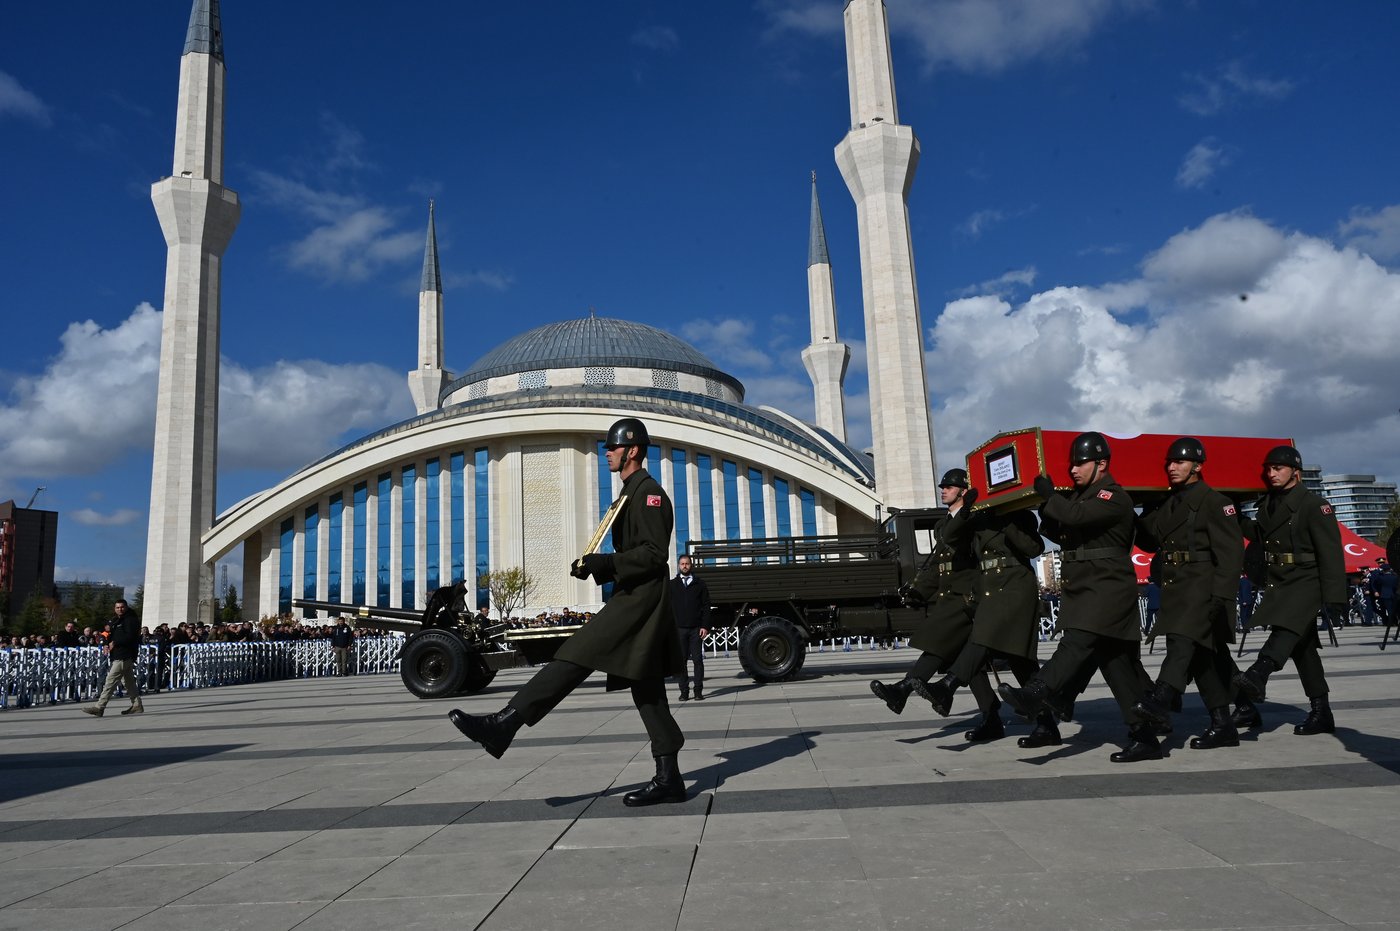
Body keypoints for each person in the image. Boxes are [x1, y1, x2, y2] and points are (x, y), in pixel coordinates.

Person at [448, 417, 688, 807]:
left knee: (575, 654)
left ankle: (505, 723)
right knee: (648, 692)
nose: (606, 453)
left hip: (639, 602)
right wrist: (593, 564)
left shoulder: (648, 493)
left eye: (613, 447)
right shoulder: (629, 493)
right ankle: (670, 778)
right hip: (633, 597)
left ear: (633, 450)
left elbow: (653, 555)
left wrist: (606, 564)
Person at [998, 432, 1160, 762]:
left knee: (1077, 642)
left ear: (1101, 464)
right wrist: (1047, 505)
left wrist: (1052, 499)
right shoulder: (1082, 498)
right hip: (1089, 586)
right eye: (1071, 464)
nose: (1073, 469)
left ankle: (1036, 693)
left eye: (1080, 463)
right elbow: (1063, 530)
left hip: (1107, 587)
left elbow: (1074, 518)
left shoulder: (1113, 496)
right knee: (1119, 667)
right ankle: (1145, 734)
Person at [911, 487, 1060, 747]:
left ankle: (948, 685)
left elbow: (1033, 547)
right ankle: (1045, 724)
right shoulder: (979, 519)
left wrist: (1006, 519)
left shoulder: (1019, 516)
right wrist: (968, 509)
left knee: (994, 644)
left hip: (1016, 585)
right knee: (1018, 659)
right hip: (990, 589)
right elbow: (950, 535)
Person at [1130, 438, 1246, 750]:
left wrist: (1222, 597)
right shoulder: (1171, 503)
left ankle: (1161, 698)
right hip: (1175, 588)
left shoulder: (1214, 501)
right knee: (1203, 662)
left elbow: (1232, 554)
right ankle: (1224, 724)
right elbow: (1149, 542)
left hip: (1202, 588)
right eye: (1169, 463)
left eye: (1179, 462)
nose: (1171, 468)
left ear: (1198, 465)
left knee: (1181, 643)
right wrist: (1141, 506)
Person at [1233, 445, 1346, 735]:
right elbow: (1261, 534)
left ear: (1295, 472)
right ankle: (1322, 712)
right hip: (1280, 580)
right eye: (1268, 469)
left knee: (1285, 628)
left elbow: (1331, 553)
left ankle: (1260, 671)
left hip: (1306, 579)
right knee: (1304, 649)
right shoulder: (1269, 504)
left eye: (1278, 468)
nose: (1271, 474)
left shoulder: (1313, 504)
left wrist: (1335, 597)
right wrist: (1234, 514)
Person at [868, 469, 980, 718]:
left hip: (966, 596)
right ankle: (992, 714)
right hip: (949, 595)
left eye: (949, 487)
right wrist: (920, 590)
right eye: (942, 486)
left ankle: (903, 690)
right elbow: (939, 565)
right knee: (967, 663)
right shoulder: (943, 523)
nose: (943, 490)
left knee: (939, 645)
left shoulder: (971, 519)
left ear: (963, 491)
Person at [82, 599, 144, 717]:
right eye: (117, 607)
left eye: (122, 607)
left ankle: (99, 707)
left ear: (126, 607)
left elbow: (130, 637)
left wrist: (115, 642)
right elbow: (106, 633)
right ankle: (137, 705)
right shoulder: (115, 620)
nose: (120, 609)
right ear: (114, 608)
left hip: (124, 655)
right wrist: (106, 643)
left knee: (110, 681)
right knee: (128, 682)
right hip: (117, 654)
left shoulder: (130, 620)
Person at [670, 554, 711, 701]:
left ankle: (698, 691)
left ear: (691, 565)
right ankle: (684, 691)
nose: (685, 566)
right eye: (682, 564)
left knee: (698, 660)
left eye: (687, 563)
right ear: (679, 566)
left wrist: (705, 626)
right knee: (681, 662)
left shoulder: (700, 584)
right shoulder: (672, 585)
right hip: (679, 629)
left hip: (696, 629)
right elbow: (667, 608)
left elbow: (706, 606)